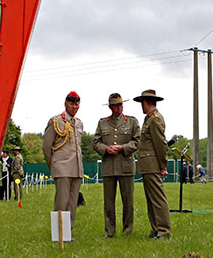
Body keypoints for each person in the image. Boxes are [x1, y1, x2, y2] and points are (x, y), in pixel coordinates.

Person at [93, 93, 141, 237]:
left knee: (128, 201)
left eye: (120, 105)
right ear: (110, 107)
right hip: (109, 167)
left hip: (126, 166)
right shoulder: (103, 123)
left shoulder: (131, 122)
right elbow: (96, 143)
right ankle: (110, 231)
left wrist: (123, 148)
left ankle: (127, 230)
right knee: (109, 202)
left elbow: (137, 141)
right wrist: (105, 149)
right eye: (116, 105)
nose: (119, 108)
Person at [42, 91, 84, 232]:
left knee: (72, 203)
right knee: (62, 202)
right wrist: (53, 165)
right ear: (65, 104)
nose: (74, 106)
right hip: (62, 167)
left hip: (76, 168)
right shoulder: (56, 121)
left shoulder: (79, 123)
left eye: (76, 104)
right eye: (71, 103)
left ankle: (68, 232)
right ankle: (59, 233)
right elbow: (46, 146)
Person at [133, 89, 171, 240]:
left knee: (157, 198)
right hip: (148, 165)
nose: (141, 106)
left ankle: (163, 231)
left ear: (145, 102)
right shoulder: (149, 118)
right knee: (151, 199)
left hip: (153, 164)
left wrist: (163, 165)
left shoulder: (154, 119)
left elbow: (160, 144)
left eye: (141, 103)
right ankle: (156, 229)